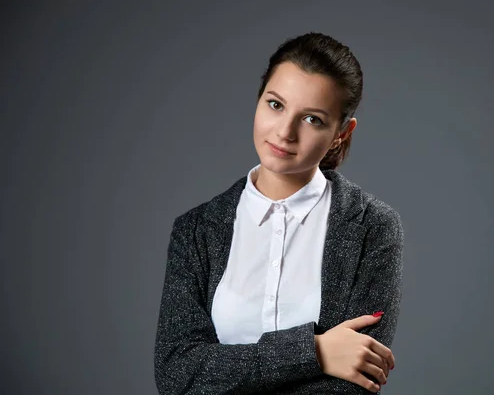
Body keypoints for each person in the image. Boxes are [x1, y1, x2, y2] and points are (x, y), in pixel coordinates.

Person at [154, 32, 404, 394]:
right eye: (275, 105)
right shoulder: (196, 231)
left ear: (341, 132)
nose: (285, 132)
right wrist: (315, 351)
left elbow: (354, 384)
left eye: (313, 119)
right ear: (258, 100)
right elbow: (178, 374)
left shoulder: (372, 227)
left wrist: (224, 371)